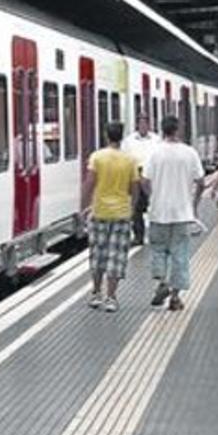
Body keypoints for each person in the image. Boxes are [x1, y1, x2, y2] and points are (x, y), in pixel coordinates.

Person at [142, 115, 205, 312]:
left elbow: (144, 180)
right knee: (180, 255)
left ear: (162, 130)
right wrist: (194, 204)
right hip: (182, 213)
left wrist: (152, 197)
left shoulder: (155, 153)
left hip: (158, 212)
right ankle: (175, 297)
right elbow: (201, 182)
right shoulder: (190, 153)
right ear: (178, 130)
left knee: (158, 250)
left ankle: (162, 282)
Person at [81, 122, 140, 312]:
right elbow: (135, 188)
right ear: (121, 137)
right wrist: (132, 209)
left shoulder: (97, 157)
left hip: (99, 212)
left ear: (106, 136)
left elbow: (89, 183)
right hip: (122, 214)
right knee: (116, 257)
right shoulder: (130, 160)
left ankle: (96, 293)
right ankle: (111, 298)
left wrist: (83, 207)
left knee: (98, 255)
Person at [123, 114, 160, 245]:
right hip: (136, 175)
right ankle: (139, 236)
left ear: (149, 125)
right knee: (136, 207)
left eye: (145, 123)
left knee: (155, 205)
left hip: (152, 175)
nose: (143, 126)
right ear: (137, 125)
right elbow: (125, 158)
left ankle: (156, 235)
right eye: (140, 123)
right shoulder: (129, 141)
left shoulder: (156, 139)